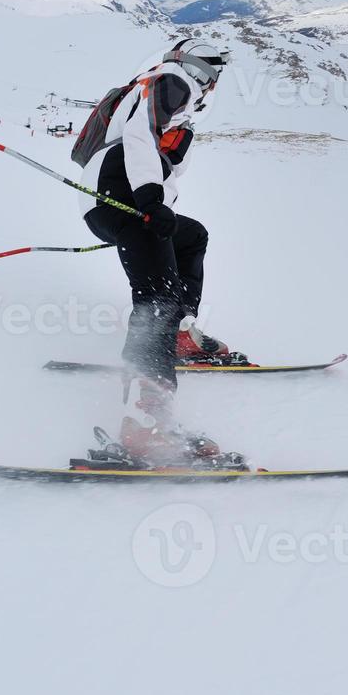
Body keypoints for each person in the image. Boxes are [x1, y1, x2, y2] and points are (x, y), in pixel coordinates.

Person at [79, 38, 241, 464]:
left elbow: (162, 153)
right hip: (121, 195)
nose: (215, 83)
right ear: (203, 67)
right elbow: (139, 136)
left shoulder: (173, 95)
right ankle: (143, 426)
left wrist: (158, 202)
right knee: (155, 303)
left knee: (190, 237)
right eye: (216, 71)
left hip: (120, 196)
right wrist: (150, 199)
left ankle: (180, 335)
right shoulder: (174, 81)